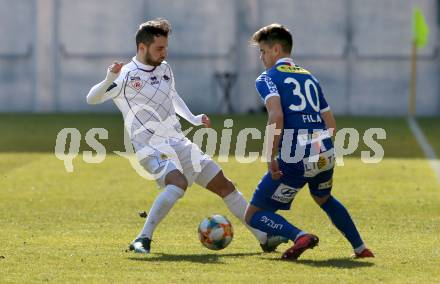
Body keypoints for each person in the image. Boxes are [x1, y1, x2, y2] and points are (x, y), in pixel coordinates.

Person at [86, 18, 287, 254]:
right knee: (177, 184)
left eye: (166, 47)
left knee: (225, 186)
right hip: (149, 147)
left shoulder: (164, 68)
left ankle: (264, 238)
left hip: (178, 141)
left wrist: (192, 118)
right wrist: (110, 77)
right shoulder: (126, 76)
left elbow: (173, 97)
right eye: (159, 48)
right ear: (142, 47)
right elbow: (92, 98)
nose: (164, 53)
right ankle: (142, 239)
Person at [244, 23, 374, 260]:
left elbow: (276, 116)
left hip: (295, 156)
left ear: (275, 49)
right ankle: (361, 248)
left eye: (262, 51)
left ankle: (299, 236)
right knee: (324, 198)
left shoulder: (267, 78)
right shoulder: (310, 78)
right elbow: (331, 125)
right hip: (325, 152)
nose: (261, 57)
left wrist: (271, 156)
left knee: (254, 214)